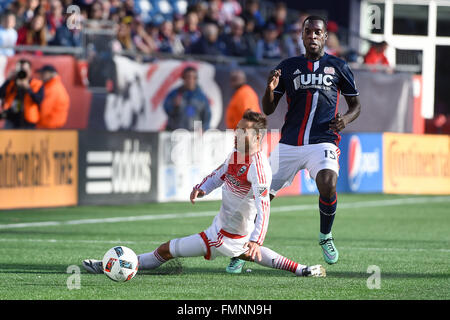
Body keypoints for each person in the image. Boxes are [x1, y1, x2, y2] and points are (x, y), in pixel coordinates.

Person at [82, 110, 326, 278]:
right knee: (255, 255)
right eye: (237, 129)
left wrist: (256, 240)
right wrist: (202, 187)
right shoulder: (236, 154)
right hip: (226, 230)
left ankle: (110, 266)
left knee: (166, 250)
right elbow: (220, 174)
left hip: (223, 237)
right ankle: (303, 269)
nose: (236, 134)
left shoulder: (259, 169)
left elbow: (264, 207)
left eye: (243, 132)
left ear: (258, 137)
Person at [234, 16, 361, 269]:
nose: (312, 36)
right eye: (307, 32)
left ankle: (325, 236)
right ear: (301, 36)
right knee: (260, 195)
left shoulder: (339, 66)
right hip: (289, 144)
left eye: (317, 32)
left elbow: (356, 105)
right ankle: (241, 250)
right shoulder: (288, 67)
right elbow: (268, 109)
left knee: (328, 183)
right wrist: (269, 89)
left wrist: (345, 120)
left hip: (322, 142)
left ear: (325, 37)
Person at [163, 66, 211, 131]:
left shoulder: (201, 97)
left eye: (194, 78)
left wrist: (204, 128)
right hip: (177, 132)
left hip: (195, 133)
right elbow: (168, 110)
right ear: (183, 78)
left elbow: (207, 116)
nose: (190, 80)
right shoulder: (175, 94)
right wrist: (174, 106)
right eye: (188, 77)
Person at [0, 58, 43, 129]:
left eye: (25, 70)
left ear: (30, 71)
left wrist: (28, 88)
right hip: (11, 119)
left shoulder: (36, 84)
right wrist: (8, 80)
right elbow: (1, 95)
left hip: (28, 121)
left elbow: (38, 100)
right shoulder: (11, 82)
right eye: (20, 70)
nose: (22, 73)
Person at [35, 64, 69, 129]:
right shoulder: (52, 86)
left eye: (43, 73)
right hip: (50, 126)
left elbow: (44, 110)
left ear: (52, 74)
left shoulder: (53, 88)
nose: (41, 76)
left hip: (49, 127)